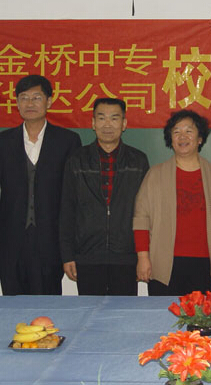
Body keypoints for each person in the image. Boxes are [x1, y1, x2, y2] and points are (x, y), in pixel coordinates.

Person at [0, 75, 81, 295]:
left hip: (51, 240)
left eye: (36, 98)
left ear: (49, 101)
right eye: (24, 98)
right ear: (17, 102)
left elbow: (73, 197)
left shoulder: (68, 141)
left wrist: (70, 246)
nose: (29, 103)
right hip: (11, 240)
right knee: (12, 304)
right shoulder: (1, 142)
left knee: (48, 305)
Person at [133, 110, 211, 296]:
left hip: (204, 263)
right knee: (163, 313)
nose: (182, 136)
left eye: (189, 131)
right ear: (170, 139)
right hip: (163, 262)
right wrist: (143, 257)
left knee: (199, 313)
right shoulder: (155, 175)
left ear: (200, 138)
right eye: (176, 131)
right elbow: (141, 219)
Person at [59, 98, 149, 295]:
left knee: (124, 311)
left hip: (126, 255)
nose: (107, 124)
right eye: (101, 118)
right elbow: (67, 210)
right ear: (93, 123)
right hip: (87, 255)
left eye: (114, 118)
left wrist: (144, 255)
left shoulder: (138, 161)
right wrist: (67, 255)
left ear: (124, 124)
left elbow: (146, 212)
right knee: (90, 312)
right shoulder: (77, 160)